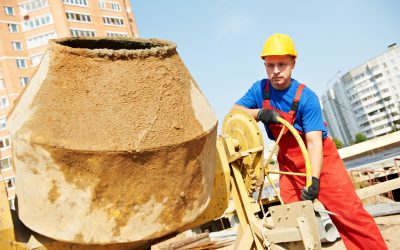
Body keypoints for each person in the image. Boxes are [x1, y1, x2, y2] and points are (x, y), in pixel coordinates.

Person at [233, 33, 387, 249]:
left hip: (322, 162)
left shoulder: (307, 98)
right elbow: (235, 113)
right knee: (292, 222)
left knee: (350, 217)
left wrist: (313, 180)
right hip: (288, 166)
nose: (275, 71)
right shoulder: (259, 89)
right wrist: (259, 113)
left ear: (293, 63)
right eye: (270, 65)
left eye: (282, 64)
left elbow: (314, 143)